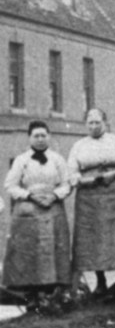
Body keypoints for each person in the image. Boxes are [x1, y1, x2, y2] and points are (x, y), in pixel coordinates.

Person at [67, 109, 115, 298]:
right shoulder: (79, 146)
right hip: (90, 197)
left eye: (97, 122)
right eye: (90, 123)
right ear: (86, 124)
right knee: (94, 239)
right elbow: (72, 174)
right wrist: (88, 180)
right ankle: (101, 282)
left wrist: (114, 174)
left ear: (105, 123)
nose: (94, 126)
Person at [2, 121, 72, 306]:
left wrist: (54, 196)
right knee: (29, 253)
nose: (40, 139)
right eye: (36, 136)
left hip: (53, 209)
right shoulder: (22, 160)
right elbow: (10, 185)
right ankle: (31, 295)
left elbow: (67, 183)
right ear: (29, 138)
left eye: (43, 135)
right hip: (28, 211)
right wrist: (30, 196)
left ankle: (51, 293)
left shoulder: (57, 159)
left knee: (53, 251)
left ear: (49, 136)